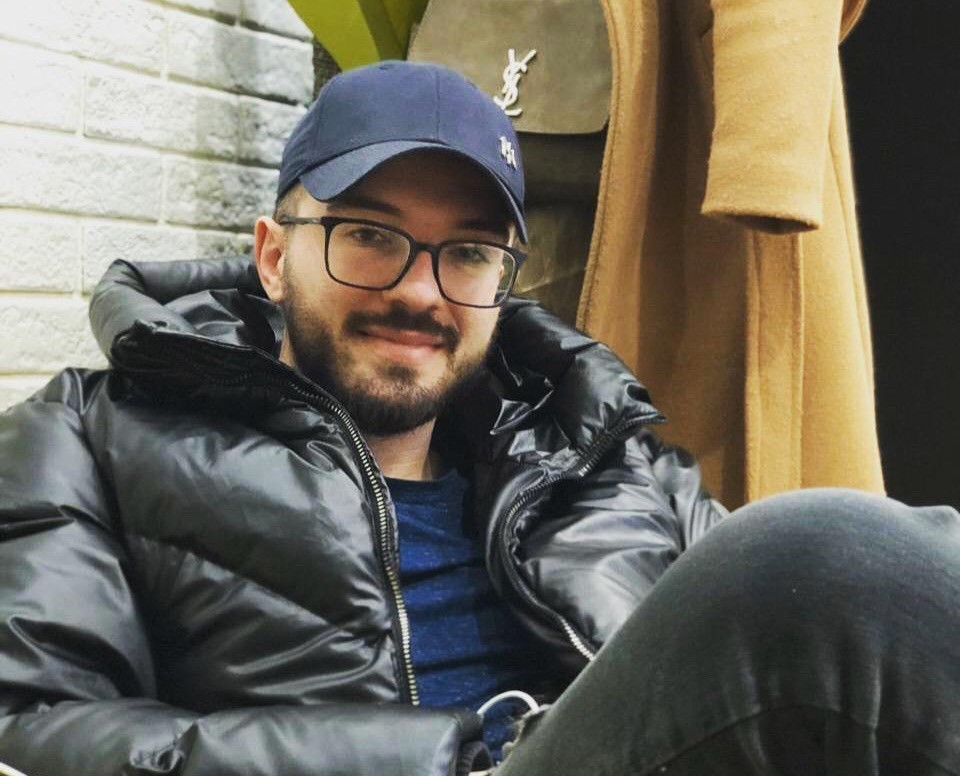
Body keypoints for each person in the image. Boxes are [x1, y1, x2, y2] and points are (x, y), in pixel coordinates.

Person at [0, 60, 959, 776]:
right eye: (369, 235)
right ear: (272, 256)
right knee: (830, 561)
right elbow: (33, 730)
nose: (420, 292)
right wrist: (453, 759)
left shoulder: (603, 455)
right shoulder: (89, 435)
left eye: (467, 253)